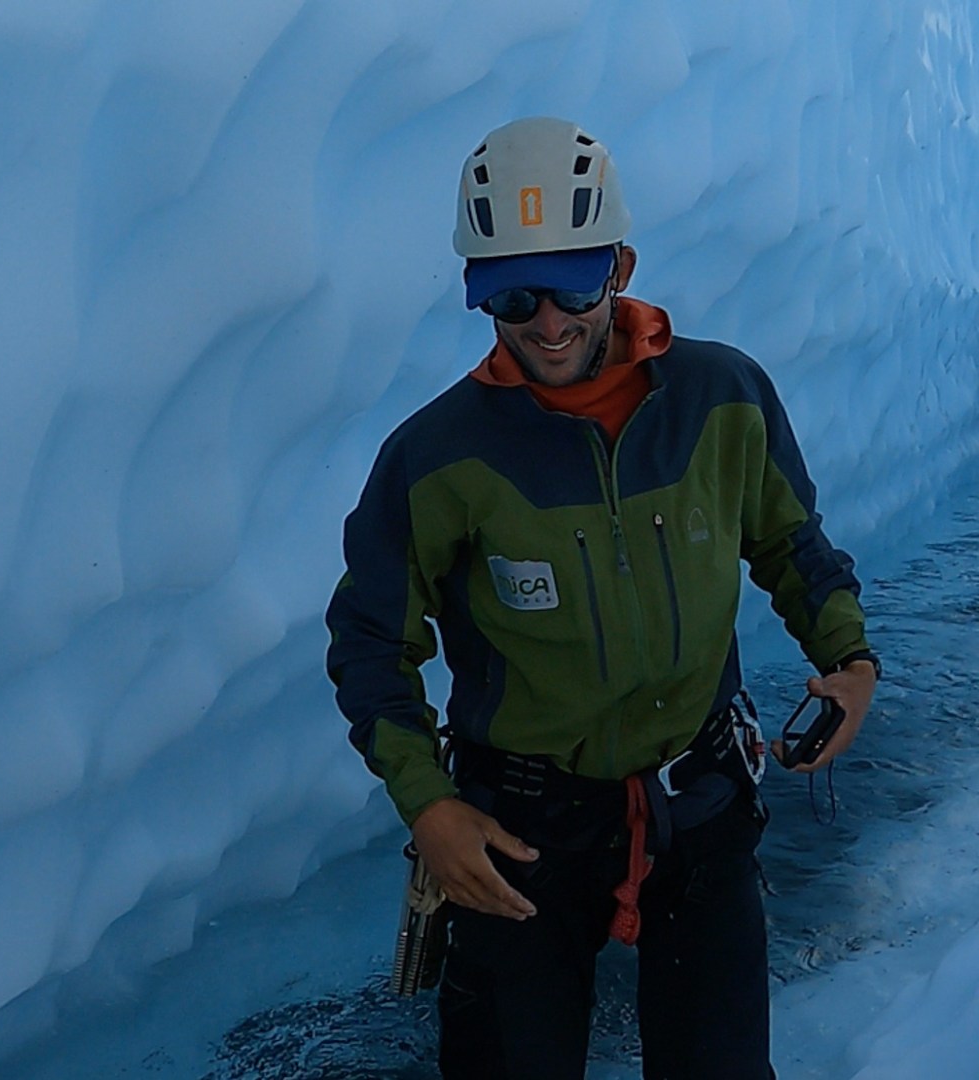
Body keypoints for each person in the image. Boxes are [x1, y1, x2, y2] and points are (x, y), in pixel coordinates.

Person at [324, 116, 880, 1079]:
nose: (547, 322)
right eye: (512, 294)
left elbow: (790, 542)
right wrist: (430, 808)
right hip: (518, 837)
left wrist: (849, 656)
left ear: (620, 264)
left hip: (699, 802)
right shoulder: (439, 459)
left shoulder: (722, 399)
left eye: (574, 284)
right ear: (477, 296)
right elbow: (372, 643)